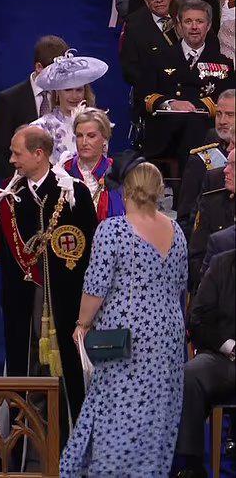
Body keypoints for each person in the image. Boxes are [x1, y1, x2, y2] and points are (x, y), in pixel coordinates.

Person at [62, 160, 188, 476]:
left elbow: (95, 286)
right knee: (156, 413)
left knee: (117, 412)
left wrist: (82, 324)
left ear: (126, 190)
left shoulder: (113, 230)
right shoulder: (178, 231)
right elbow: (181, 284)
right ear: (159, 191)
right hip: (168, 336)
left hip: (126, 339)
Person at [0, 126, 99, 434]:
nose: (12, 159)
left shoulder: (73, 193)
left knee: (65, 367)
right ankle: (21, 446)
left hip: (65, 301)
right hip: (20, 301)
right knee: (23, 363)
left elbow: (91, 251)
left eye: (17, 153)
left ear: (39, 154)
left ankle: (73, 442)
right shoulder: (8, 194)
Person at [138, 0, 235, 172]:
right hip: (165, 132)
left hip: (204, 131)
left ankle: (191, 191)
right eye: (188, 21)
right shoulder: (158, 58)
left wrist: (193, 107)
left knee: (195, 126)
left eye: (199, 21)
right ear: (179, 25)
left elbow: (227, 100)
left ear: (208, 25)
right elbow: (142, 96)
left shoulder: (223, 64)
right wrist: (171, 103)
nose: (194, 27)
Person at [175, 248, 235, 477]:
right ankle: (191, 465)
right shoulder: (221, 265)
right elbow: (198, 319)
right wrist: (230, 346)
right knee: (190, 374)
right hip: (225, 359)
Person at [0, 35, 69, 179]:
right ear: (39, 67)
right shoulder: (10, 99)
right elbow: (1, 151)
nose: (60, 77)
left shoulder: (66, 95)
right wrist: (20, 182)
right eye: (55, 71)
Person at [30, 51, 108, 165]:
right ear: (57, 92)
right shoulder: (40, 128)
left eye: (79, 90)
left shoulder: (98, 124)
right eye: (68, 90)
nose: (74, 96)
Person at [178, 89, 234, 234]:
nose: (222, 121)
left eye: (230, 115)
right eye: (219, 114)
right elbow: (185, 218)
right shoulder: (201, 160)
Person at [64, 108, 126, 221]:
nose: (84, 142)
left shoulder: (118, 172)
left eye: (91, 136)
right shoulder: (65, 170)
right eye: (79, 136)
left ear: (105, 139)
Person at [119, 0, 178, 90]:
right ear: (146, 1)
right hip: (151, 94)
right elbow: (129, 70)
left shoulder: (188, 19)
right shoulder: (134, 26)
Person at [189, 148, 235, 284]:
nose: (225, 170)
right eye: (227, 164)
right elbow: (196, 256)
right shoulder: (212, 204)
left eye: (233, 165)